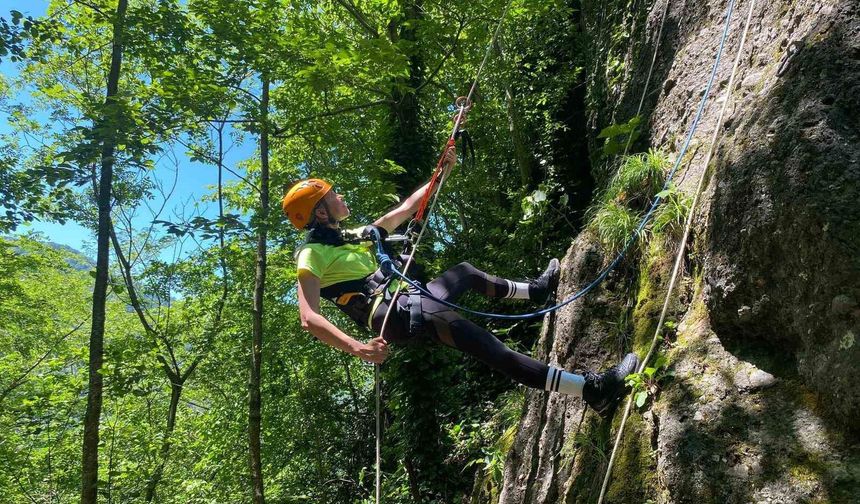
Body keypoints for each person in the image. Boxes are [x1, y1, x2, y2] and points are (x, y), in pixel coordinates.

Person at [284, 146, 638, 414]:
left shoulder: (357, 235)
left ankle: (538, 291)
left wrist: (442, 172)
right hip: (395, 313)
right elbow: (308, 317)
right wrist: (356, 347)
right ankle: (593, 390)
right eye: (332, 195)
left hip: (410, 299)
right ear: (319, 211)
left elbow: (407, 208)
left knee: (465, 273)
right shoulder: (311, 254)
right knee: (490, 348)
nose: (340, 196)